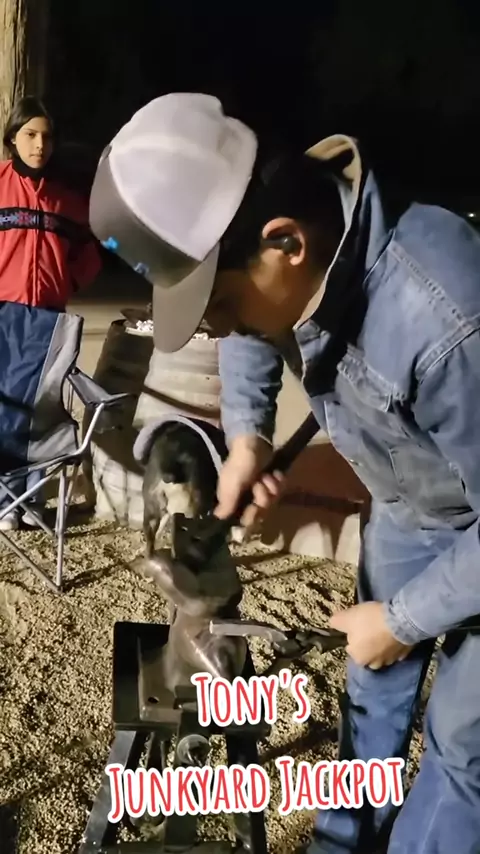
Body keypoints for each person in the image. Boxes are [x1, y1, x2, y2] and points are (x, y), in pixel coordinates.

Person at [89, 93, 480, 854]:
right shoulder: (295, 242)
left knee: (464, 753)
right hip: (409, 509)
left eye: (219, 301)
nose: (219, 325)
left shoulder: (448, 322)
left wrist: (402, 621)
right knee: (371, 694)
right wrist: (247, 440)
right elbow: (251, 327)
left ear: (285, 244)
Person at [0, 96, 102, 531]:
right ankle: (6, 501)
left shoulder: (67, 200)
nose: (39, 145)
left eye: (46, 136)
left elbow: (93, 251)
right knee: (5, 406)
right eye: (30, 135)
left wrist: (67, 283)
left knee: (41, 408)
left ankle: (32, 499)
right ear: (12, 138)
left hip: (49, 317)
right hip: (4, 313)